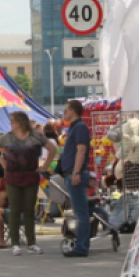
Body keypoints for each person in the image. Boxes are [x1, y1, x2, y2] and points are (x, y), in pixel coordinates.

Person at [0, 111, 57, 256]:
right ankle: (15, 243)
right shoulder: (9, 137)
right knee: (14, 210)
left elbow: (52, 148)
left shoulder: (36, 135)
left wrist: (45, 166)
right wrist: (2, 161)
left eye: (12, 121)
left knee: (29, 210)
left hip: (31, 175)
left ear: (20, 122)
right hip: (12, 177)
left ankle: (31, 242)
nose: (10, 123)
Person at [59, 100, 92, 258]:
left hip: (75, 173)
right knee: (81, 211)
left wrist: (76, 172)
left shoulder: (79, 127)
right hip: (71, 172)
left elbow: (81, 150)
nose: (64, 113)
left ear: (73, 110)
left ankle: (82, 247)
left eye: (66, 110)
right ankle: (81, 244)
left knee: (81, 212)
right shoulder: (74, 128)